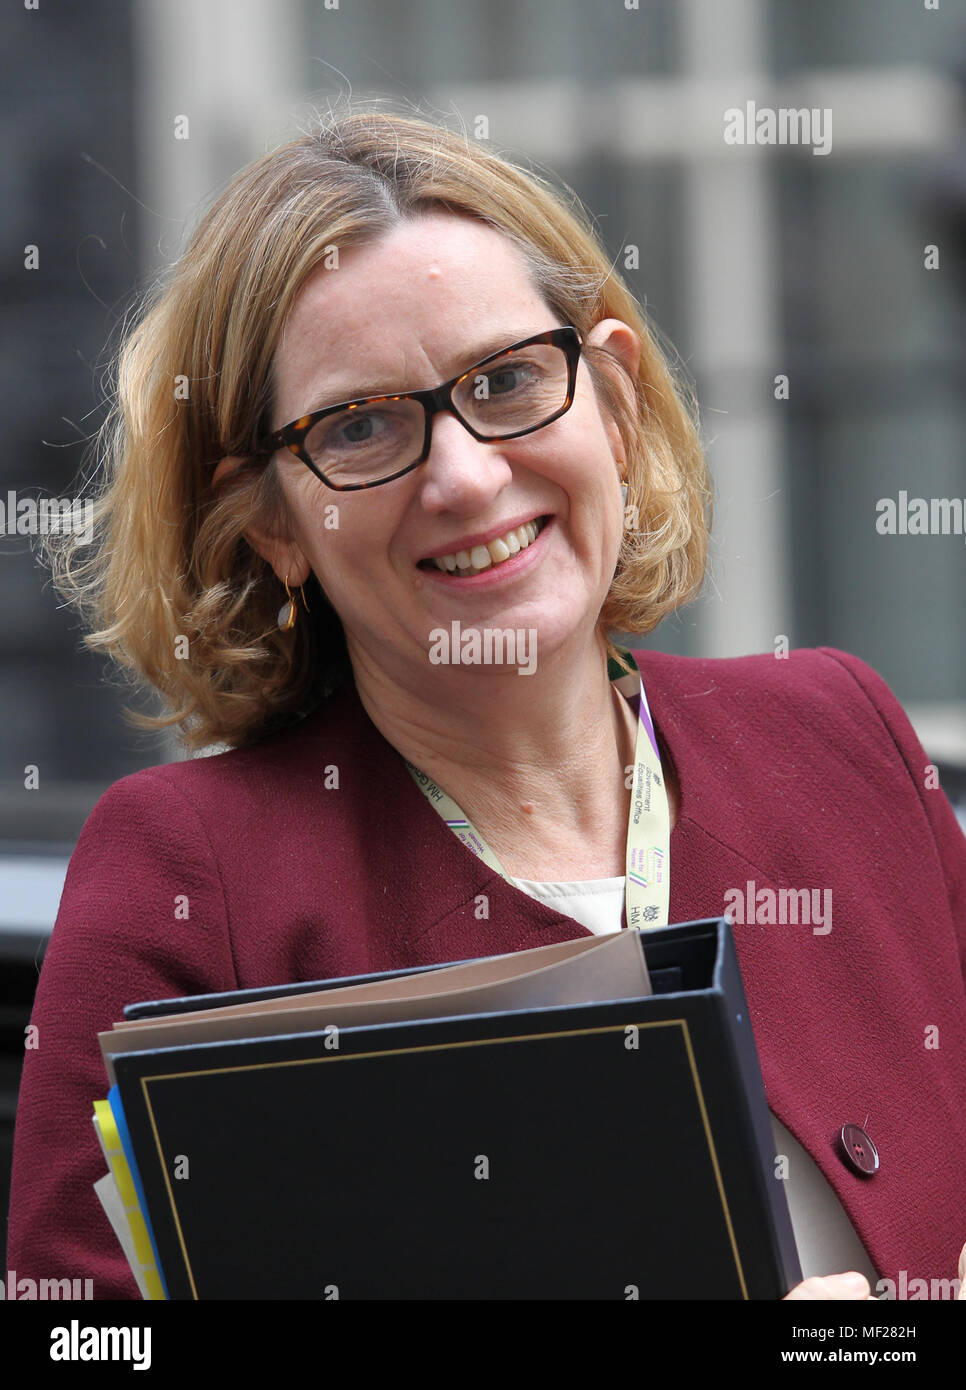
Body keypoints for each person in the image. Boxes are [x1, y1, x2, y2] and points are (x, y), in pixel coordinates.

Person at [8, 104, 966, 1302]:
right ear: (271, 522)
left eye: (508, 380)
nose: (465, 476)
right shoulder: (187, 874)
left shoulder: (842, 734)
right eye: (359, 426)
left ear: (611, 405)